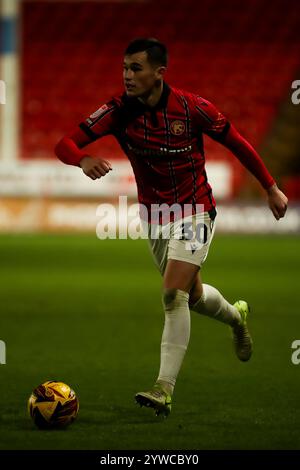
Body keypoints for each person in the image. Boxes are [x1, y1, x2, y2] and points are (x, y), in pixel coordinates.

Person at [55, 38, 288, 417]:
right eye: (125, 68)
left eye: (137, 69)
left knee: (171, 295)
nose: (128, 76)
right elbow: (64, 143)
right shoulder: (117, 111)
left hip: (196, 210)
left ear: (159, 73)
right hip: (155, 217)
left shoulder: (193, 108)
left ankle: (163, 388)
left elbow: (238, 143)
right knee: (191, 296)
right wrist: (82, 159)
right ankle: (235, 317)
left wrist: (270, 186)